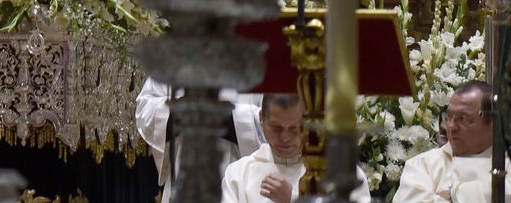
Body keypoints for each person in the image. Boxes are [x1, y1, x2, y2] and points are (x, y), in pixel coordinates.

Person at [220, 94, 369, 203]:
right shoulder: (238, 174)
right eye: (276, 128)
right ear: (261, 119)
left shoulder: (343, 175)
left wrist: (292, 200)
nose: (285, 138)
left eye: (294, 128)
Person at [136, 77, 264, 203]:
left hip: (243, 185)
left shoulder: (255, 60)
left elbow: (276, 120)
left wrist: (227, 117)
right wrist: (180, 111)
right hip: (184, 176)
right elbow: (145, 110)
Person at [398, 81, 511, 203]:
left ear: (493, 122)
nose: (451, 126)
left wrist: (455, 194)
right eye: (449, 116)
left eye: (463, 118)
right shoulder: (423, 165)